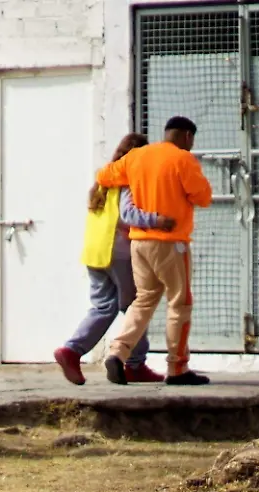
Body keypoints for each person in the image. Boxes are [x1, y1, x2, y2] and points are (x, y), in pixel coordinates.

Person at [94, 116, 213, 386]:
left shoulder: (137, 157)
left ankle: (117, 352)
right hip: (171, 243)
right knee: (179, 303)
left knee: (143, 300)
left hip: (139, 243)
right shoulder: (183, 159)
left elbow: (104, 175)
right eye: (191, 140)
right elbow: (203, 197)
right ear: (185, 136)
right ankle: (178, 368)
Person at [54, 133, 172, 385]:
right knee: (136, 307)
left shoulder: (104, 177)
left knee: (104, 306)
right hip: (118, 252)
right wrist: (158, 221)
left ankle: (71, 351)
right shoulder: (128, 178)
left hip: (95, 251)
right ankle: (135, 364)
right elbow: (128, 215)